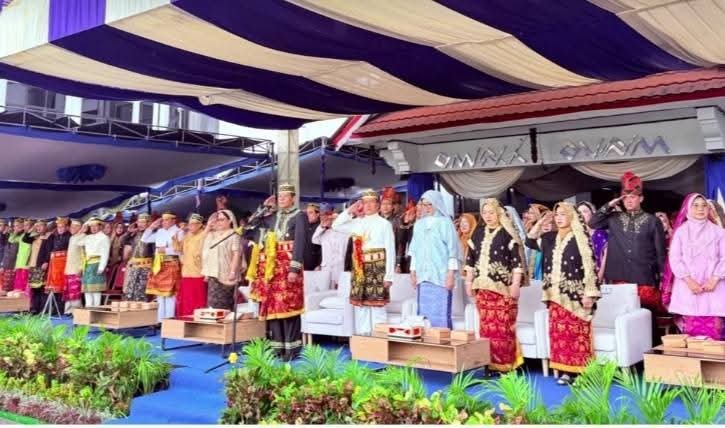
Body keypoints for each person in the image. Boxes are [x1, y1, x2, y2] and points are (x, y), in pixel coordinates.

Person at [526, 203, 600, 384]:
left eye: (563, 214)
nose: (559, 218)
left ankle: (583, 373)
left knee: (577, 334)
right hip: (555, 295)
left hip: (576, 295)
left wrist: (590, 294)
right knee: (560, 335)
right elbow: (529, 240)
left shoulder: (581, 238)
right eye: (557, 215)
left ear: (572, 216)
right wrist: (541, 222)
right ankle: (566, 372)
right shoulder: (549, 238)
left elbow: (591, 267)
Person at [590, 171, 666, 344]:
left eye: (633, 197)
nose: (629, 200)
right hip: (619, 278)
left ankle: (651, 353)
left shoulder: (652, 221)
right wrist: (609, 205)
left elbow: (660, 252)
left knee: (646, 319)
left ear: (641, 198)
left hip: (644, 279)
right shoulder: (613, 218)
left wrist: (662, 279)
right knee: (621, 319)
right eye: (625, 197)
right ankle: (627, 354)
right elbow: (593, 222)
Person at [465, 198, 527, 374]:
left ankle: (507, 365)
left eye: (491, 212)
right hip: (482, 290)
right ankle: (490, 364)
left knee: (503, 328)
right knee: (486, 329)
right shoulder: (478, 233)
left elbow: (516, 262)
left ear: (499, 213)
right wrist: (469, 282)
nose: (488, 216)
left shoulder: (508, 233)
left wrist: (516, 284)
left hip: (503, 289)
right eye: (484, 213)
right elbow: (470, 260)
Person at [247, 183, 307, 361]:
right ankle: (277, 348)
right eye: (279, 196)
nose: (281, 199)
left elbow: (300, 242)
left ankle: (292, 349)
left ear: (292, 198)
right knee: (273, 305)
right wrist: (264, 207)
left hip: (289, 265)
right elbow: (250, 226)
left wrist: (294, 268)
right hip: (272, 268)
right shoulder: (272, 216)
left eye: (285, 196)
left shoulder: (300, 215)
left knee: (289, 305)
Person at [332, 189, 396, 335]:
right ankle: (364, 338)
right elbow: (336, 225)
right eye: (365, 202)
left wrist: (389, 276)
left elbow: (390, 250)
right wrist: (350, 210)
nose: (367, 205)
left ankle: (379, 340)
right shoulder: (357, 223)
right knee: (361, 307)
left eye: (371, 202)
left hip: (378, 267)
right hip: (360, 268)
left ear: (378, 205)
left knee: (377, 306)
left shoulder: (384, 224)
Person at [662, 193, 724, 340]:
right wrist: (689, 281)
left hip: (715, 289)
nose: (700, 209)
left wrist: (714, 279)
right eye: (695, 205)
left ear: (709, 209)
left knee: (715, 337)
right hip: (688, 288)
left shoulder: (719, 232)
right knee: (690, 337)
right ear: (688, 208)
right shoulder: (681, 232)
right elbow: (675, 258)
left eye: (704, 205)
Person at [408, 190, 460, 328]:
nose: (426, 207)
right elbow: (414, 251)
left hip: (441, 276)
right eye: (424, 204)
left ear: (437, 204)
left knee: (441, 314)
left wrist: (451, 275)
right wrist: (413, 272)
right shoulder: (419, 224)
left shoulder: (445, 223)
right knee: (424, 316)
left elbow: (453, 251)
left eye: (430, 204)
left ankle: (443, 340)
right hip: (422, 277)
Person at [143, 211, 184, 321]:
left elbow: (180, 250)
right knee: (160, 294)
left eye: (166, 220)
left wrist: (165, 250)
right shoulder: (160, 231)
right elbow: (145, 239)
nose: (164, 222)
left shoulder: (179, 232)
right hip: (159, 264)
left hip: (171, 263)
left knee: (170, 294)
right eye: (163, 220)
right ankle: (160, 320)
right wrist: (151, 227)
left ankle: (169, 320)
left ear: (173, 220)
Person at [202, 210, 241, 311]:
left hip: (226, 273)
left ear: (230, 220)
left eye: (222, 220)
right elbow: (201, 243)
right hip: (213, 273)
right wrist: (208, 226)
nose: (219, 222)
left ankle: (225, 320)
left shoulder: (233, 235)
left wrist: (232, 272)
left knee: (224, 304)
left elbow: (236, 255)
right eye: (218, 220)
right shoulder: (212, 234)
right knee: (212, 304)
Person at [312, 204, 350, 289]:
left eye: (326, 214)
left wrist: (338, 220)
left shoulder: (344, 230)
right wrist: (323, 226)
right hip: (326, 267)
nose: (324, 217)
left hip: (340, 266)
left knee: (340, 290)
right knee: (325, 290)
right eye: (321, 215)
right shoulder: (322, 231)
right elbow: (314, 240)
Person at [177, 213, 207, 317]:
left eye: (194, 224)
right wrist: (180, 232)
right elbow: (178, 249)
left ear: (200, 225)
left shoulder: (204, 235)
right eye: (190, 224)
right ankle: (185, 319)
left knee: (198, 299)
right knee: (186, 299)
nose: (191, 227)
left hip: (198, 272)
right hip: (186, 272)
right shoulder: (187, 235)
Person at [122, 214, 155, 302]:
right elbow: (123, 241)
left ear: (148, 223)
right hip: (134, 266)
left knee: (142, 290)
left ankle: (141, 309)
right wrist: (128, 232)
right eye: (139, 222)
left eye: (143, 222)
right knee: (131, 290)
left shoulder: (152, 234)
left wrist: (153, 268)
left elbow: (155, 253)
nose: (140, 224)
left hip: (146, 266)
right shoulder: (134, 234)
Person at [79, 218, 111, 308]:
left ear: (100, 226)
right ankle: (88, 307)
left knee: (96, 289)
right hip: (88, 265)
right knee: (87, 289)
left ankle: (96, 308)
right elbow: (78, 242)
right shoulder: (88, 237)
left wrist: (102, 267)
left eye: (95, 226)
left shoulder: (104, 237)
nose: (93, 228)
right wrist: (83, 229)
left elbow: (105, 253)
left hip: (97, 263)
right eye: (91, 226)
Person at [24, 221, 52, 313]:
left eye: (41, 226)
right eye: (37, 226)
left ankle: (42, 309)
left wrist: (46, 261)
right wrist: (32, 228)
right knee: (34, 288)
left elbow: (49, 250)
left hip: (41, 264)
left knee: (41, 288)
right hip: (33, 265)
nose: (38, 228)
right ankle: (35, 308)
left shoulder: (49, 236)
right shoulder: (35, 236)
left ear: (46, 227)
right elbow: (25, 239)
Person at [46, 217, 71, 314]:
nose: (60, 229)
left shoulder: (69, 236)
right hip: (55, 265)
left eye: (62, 227)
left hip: (63, 264)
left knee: (62, 286)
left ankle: (60, 309)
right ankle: (54, 308)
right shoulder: (55, 236)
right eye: (58, 227)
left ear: (66, 227)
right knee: (55, 286)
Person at [577, 201, 609, 278]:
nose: (581, 214)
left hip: (598, 276)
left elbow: (606, 258)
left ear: (593, 213)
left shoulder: (601, 234)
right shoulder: (574, 235)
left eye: (585, 211)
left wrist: (599, 276)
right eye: (579, 212)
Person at [524, 204, 550, 281]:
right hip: (529, 256)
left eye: (532, 213)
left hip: (539, 256)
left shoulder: (545, 227)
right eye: (528, 213)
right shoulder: (528, 225)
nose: (529, 215)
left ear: (539, 214)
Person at [64, 219, 86, 313]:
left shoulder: (83, 237)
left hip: (76, 268)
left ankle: (77, 311)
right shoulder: (72, 237)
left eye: (75, 226)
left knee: (75, 291)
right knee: (68, 291)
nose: (72, 228)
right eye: (71, 226)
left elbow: (84, 254)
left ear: (80, 227)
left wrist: (81, 268)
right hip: (68, 268)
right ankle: (68, 311)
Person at [106, 222, 128, 291]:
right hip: (111, 262)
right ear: (115, 229)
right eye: (118, 227)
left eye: (121, 228)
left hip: (121, 262)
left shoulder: (125, 237)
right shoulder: (111, 238)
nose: (119, 229)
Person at [302, 203, 322, 270]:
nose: (307, 215)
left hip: (315, 265)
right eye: (306, 213)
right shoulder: (303, 226)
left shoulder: (321, 227)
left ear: (318, 214)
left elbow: (323, 249)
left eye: (310, 213)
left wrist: (320, 264)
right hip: (302, 265)